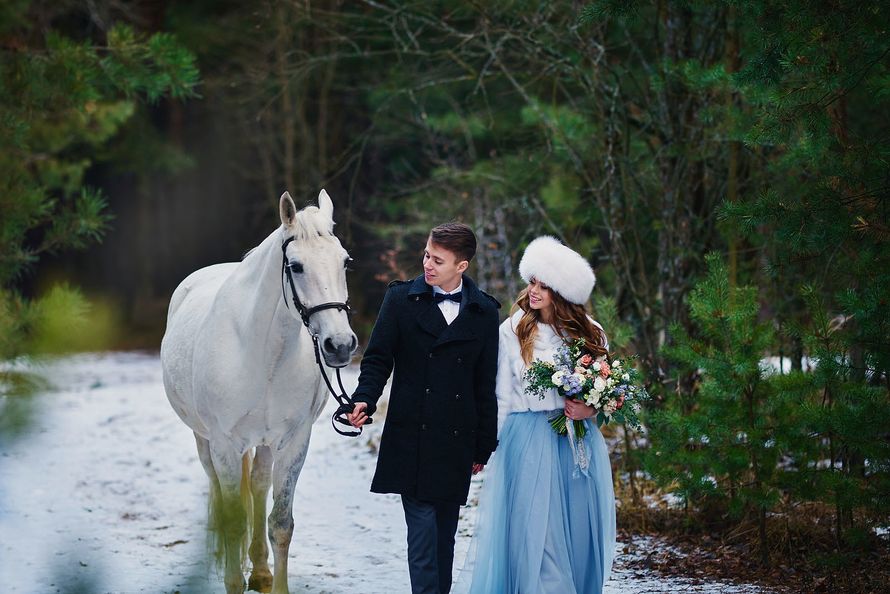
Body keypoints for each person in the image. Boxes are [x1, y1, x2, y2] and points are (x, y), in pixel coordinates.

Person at [457, 235, 616, 594]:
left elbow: (605, 391)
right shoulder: (513, 330)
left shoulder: (592, 334)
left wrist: (589, 407)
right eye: (532, 282)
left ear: (562, 292)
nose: (534, 291)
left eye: (544, 285)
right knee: (537, 536)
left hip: (575, 443)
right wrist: (488, 446)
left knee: (576, 531)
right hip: (527, 439)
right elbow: (502, 394)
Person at [347, 222, 500, 594]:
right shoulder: (401, 300)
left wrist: (484, 444)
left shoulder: (484, 312)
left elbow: (485, 384)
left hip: (457, 439)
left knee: (444, 538)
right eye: (427, 255)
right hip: (411, 433)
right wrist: (364, 398)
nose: (427, 265)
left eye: (438, 260)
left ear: (461, 266)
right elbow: (378, 359)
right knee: (423, 539)